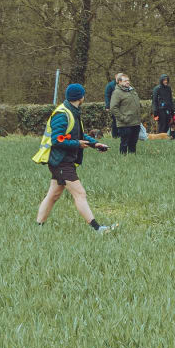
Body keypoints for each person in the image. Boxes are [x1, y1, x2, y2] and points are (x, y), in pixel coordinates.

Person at [33, 83, 116, 232]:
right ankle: (98, 229)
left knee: (53, 194)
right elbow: (57, 140)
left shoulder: (73, 112)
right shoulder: (62, 114)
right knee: (80, 193)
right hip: (61, 162)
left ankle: (38, 227)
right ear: (81, 97)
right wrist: (77, 144)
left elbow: (77, 135)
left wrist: (95, 144)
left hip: (63, 161)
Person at [106, 73, 143, 154]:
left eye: (128, 80)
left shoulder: (132, 90)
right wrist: (122, 118)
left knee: (133, 143)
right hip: (125, 123)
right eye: (125, 81)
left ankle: (132, 159)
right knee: (124, 143)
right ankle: (123, 159)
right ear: (119, 82)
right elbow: (113, 107)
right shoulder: (117, 92)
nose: (128, 82)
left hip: (135, 122)